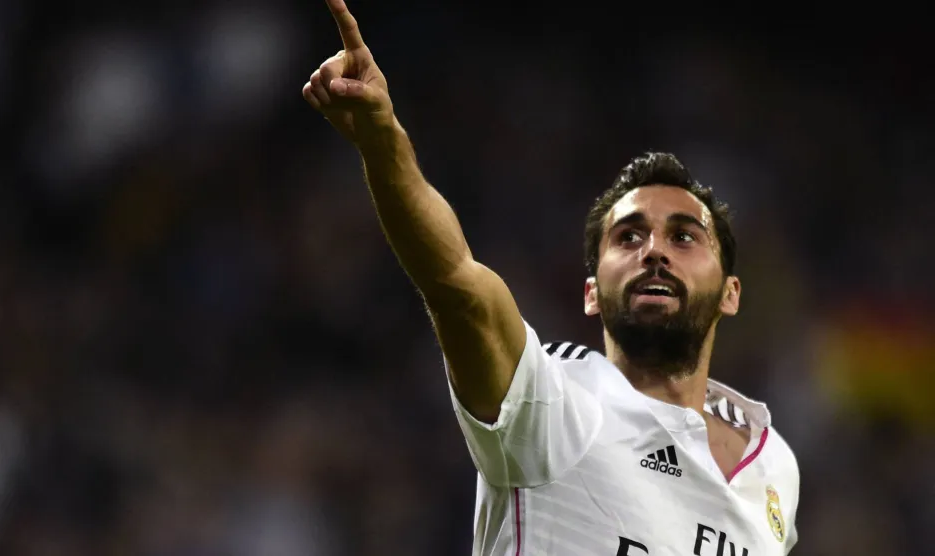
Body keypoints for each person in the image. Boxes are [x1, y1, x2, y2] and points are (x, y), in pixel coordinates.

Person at [301, 1, 800, 554]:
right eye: (628, 237)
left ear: (731, 293)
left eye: (684, 236)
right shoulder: (559, 405)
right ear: (591, 293)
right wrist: (383, 141)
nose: (655, 251)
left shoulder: (773, 461)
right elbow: (456, 285)